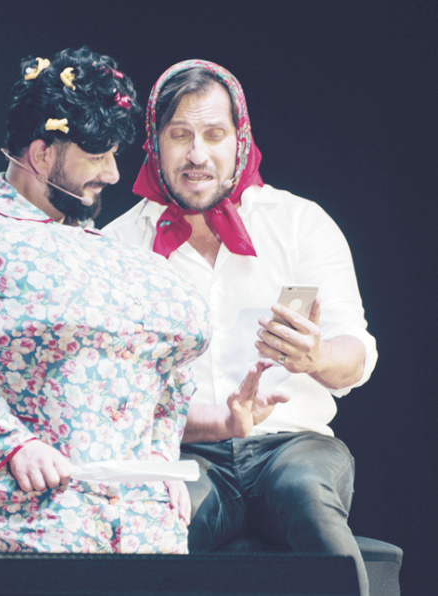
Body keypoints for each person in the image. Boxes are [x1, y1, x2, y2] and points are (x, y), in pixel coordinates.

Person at [0, 48, 282, 596]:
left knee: (155, 536)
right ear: (42, 154)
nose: (112, 173)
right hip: (2, 481)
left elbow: (163, 367)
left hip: (104, 488)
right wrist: (12, 445)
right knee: (70, 533)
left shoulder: (105, 250)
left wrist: (157, 459)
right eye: (97, 156)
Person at [104, 60, 377, 596]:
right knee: (158, 527)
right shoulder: (117, 248)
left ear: (240, 139)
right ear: (154, 143)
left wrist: (316, 357)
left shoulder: (299, 223)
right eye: (179, 135)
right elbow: (116, 398)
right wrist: (216, 424)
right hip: (186, 454)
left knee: (305, 494)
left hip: (293, 445)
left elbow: (357, 355)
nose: (197, 155)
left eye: (214, 134)